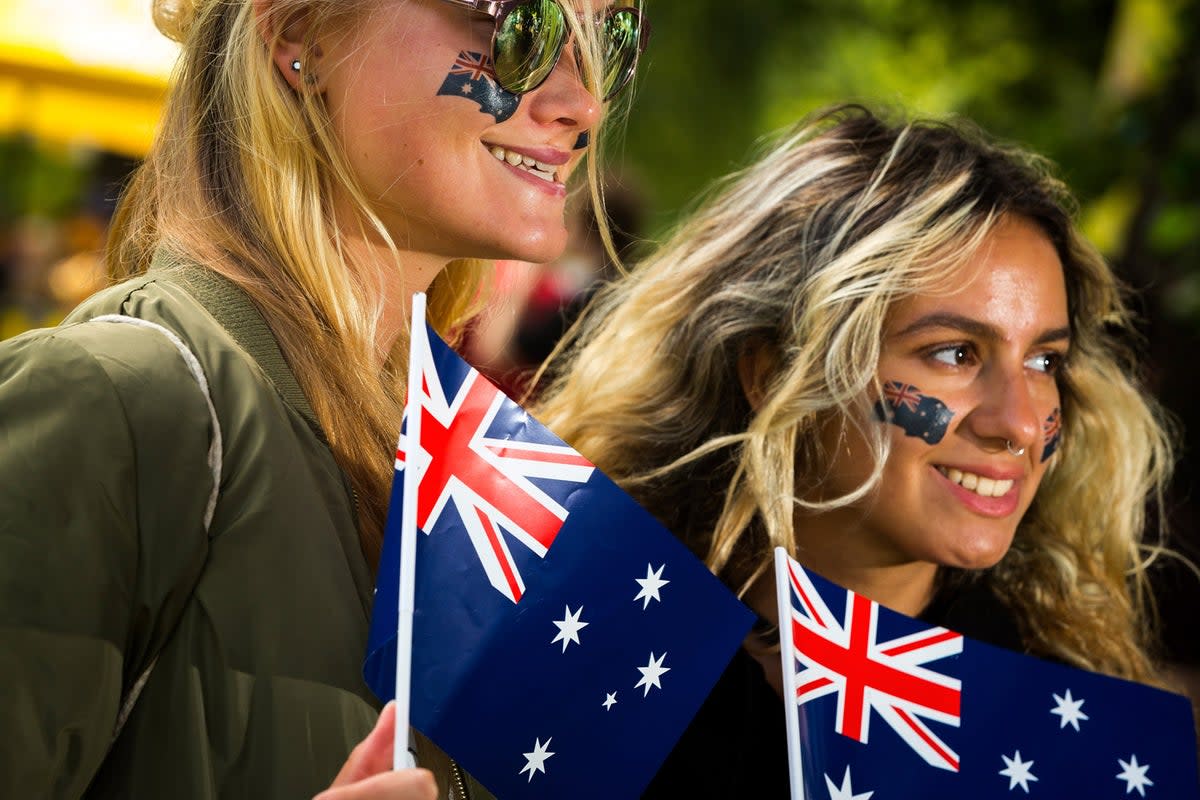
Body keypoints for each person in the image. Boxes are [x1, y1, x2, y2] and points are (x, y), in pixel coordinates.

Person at [0, 0, 648, 797]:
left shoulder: (473, 466)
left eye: (612, 40)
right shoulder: (117, 402)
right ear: (300, 35)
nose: (582, 104)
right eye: (521, 26)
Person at [533, 104, 1182, 795]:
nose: (1019, 423)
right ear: (775, 371)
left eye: (1045, 361)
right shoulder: (566, 636)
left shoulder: (1066, 737)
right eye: (955, 353)